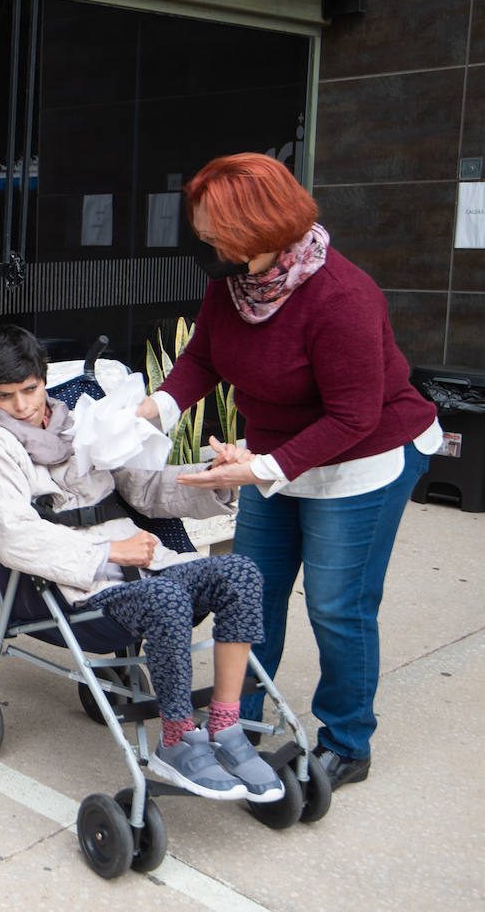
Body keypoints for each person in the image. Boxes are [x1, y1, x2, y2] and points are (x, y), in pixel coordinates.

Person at [138, 152, 441, 790]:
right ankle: (237, 721)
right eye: (202, 235)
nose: (205, 249)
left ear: (260, 233)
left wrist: (264, 468)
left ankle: (348, 740)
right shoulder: (234, 285)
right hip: (272, 457)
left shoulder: (342, 299)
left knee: (337, 605)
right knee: (251, 591)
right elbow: (202, 357)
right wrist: (153, 411)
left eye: (214, 237)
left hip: (363, 459)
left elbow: (355, 416)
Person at [0, 324, 283, 802]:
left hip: (146, 566)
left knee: (240, 573)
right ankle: (176, 740)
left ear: (44, 378)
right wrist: (106, 553)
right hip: (76, 591)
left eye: (29, 390)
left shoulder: (83, 423)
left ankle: (224, 724)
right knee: (166, 596)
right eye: (4, 396)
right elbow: (13, 537)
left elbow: (147, 489)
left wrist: (213, 478)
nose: (22, 406)